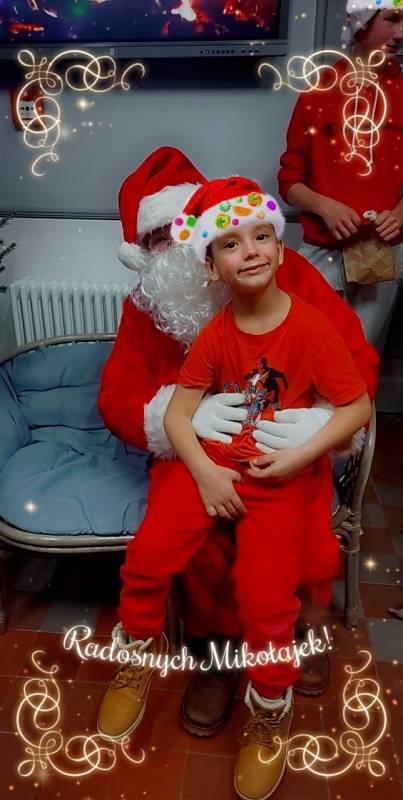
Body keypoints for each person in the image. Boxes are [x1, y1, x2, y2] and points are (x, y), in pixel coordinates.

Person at [97, 146, 379, 744]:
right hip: (197, 455)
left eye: (174, 232)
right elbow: (119, 395)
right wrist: (179, 421)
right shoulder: (149, 305)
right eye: (154, 241)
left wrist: (317, 426)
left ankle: (298, 634)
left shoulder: (285, 277)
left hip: (282, 449)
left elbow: (356, 367)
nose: (168, 249)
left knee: (303, 541)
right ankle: (216, 657)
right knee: (193, 542)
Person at [278, 0, 403, 347]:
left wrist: (399, 213)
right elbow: (289, 181)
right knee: (309, 357)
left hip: (382, 253)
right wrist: (325, 207)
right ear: (360, 23)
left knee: (360, 363)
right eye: (391, 19)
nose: (401, 33)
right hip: (322, 252)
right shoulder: (318, 91)